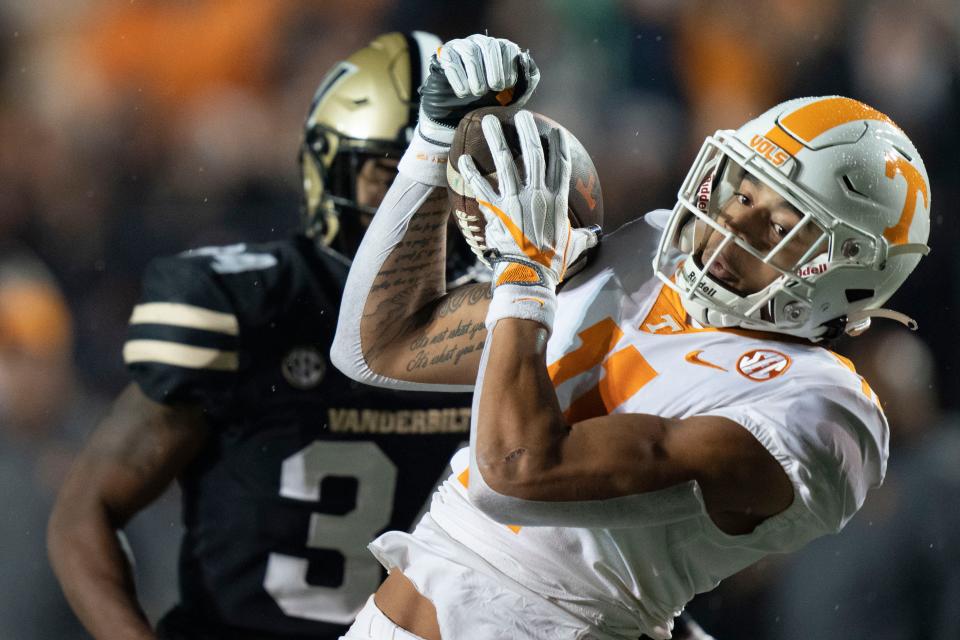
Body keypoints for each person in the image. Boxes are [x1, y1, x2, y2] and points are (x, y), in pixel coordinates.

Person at [330, 34, 931, 640]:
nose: (731, 225)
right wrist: (433, 145)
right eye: (742, 191)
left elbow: (516, 474)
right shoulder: (649, 248)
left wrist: (524, 275)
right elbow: (381, 346)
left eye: (780, 225)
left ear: (851, 274)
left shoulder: (824, 411)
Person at [47, 31, 481, 640]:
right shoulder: (251, 306)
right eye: (394, 176)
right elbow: (86, 507)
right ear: (327, 168)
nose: (421, 206)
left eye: (446, 181)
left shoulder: (513, 311)